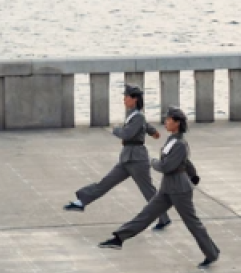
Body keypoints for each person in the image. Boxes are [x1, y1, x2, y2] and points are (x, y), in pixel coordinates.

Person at [98, 107, 220, 268]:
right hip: (167, 188)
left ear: (177, 123)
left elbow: (167, 166)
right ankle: (119, 238)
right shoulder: (172, 141)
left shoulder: (180, 144)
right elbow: (185, 162)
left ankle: (211, 253)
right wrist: (193, 175)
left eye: (169, 120)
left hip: (179, 190)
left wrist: (153, 162)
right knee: (147, 214)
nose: (166, 122)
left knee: (192, 223)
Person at [64, 85, 171, 231]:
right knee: (105, 182)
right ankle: (81, 201)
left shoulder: (137, 116)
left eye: (127, 97)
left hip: (137, 159)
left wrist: (115, 130)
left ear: (134, 99)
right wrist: (153, 132)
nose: (124, 99)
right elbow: (144, 125)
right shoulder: (134, 114)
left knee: (148, 191)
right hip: (127, 159)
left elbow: (127, 133)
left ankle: (164, 218)